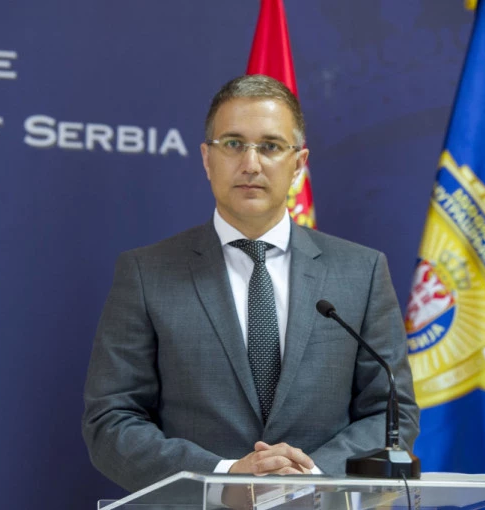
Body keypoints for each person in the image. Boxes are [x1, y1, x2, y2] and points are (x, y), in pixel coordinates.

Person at [82, 74, 419, 493]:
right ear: (207, 158)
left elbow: (392, 413)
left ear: (299, 163)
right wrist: (224, 478)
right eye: (233, 144)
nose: (251, 164)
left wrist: (310, 478)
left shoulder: (361, 271)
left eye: (271, 146)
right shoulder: (146, 272)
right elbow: (111, 421)